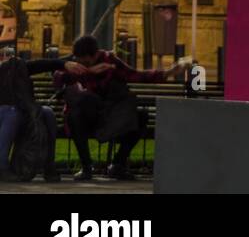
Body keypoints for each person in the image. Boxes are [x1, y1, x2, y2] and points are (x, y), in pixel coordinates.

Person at [55, 34, 187, 182]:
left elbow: (135, 75)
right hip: (86, 118)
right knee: (75, 114)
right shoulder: (73, 62)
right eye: (79, 61)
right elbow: (58, 78)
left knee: (141, 117)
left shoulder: (109, 61)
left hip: (110, 116)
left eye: (85, 62)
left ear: (95, 54)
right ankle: (86, 167)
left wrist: (167, 72)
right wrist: (90, 71)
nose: (81, 64)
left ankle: (118, 164)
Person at [0, 46, 83, 182]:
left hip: (21, 113)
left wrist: (64, 64)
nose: (6, 58)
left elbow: (40, 64)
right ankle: (2, 167)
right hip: (7, 115)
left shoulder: (16, 68)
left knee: (47, 113)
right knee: (11, 113)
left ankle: (49, 165)